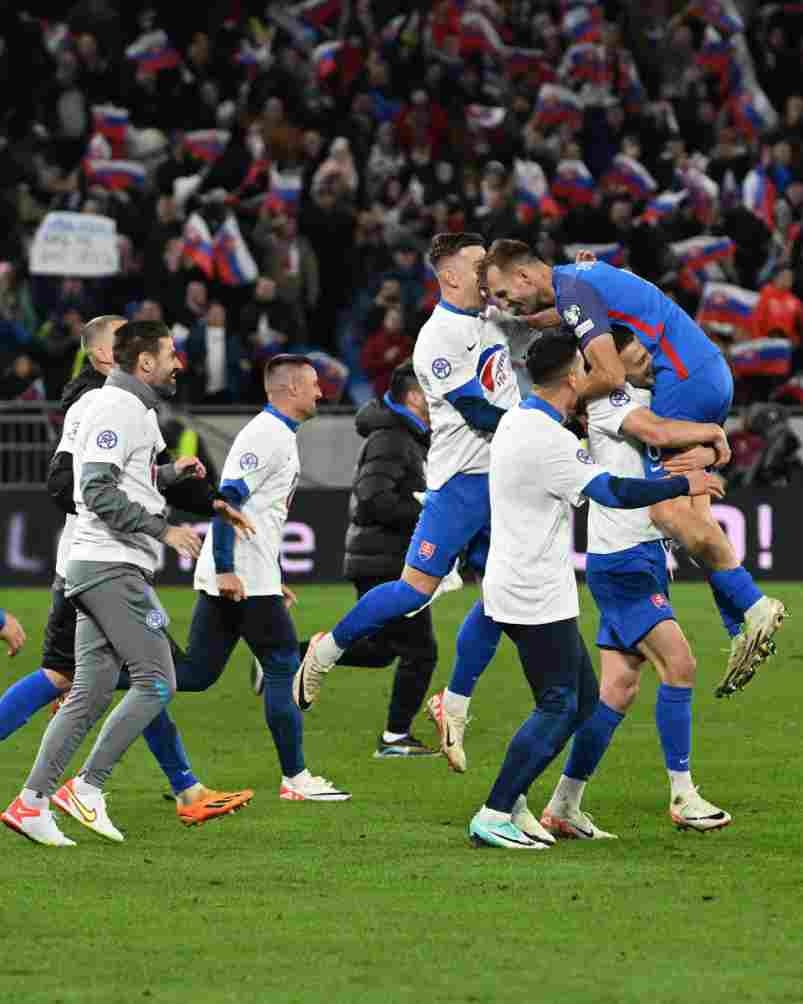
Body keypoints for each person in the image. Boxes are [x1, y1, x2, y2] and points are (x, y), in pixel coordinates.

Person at [479, 239, 786, 695]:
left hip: (681, 378)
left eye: (506, 294)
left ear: (524, 276)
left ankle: (755, 605)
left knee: (666, 512)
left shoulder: (574, 292)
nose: (508, 304)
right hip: (704, 371)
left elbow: (611, 374)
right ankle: (739, 627)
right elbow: (563, 315)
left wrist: (559, 402)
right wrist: (516, 319)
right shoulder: (577, 280)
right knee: (695, 516)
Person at [2, 320, 255, 847]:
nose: (178, 364)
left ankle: (31, 803)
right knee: (158, 680)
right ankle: (88, 787)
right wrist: (164, 530)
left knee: (89, 691)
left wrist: (173, 479)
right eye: (170, 354)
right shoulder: (114, 407)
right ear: (144, 362)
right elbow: (94, 489)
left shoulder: (135, 409)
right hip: (110, 566)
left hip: (103, 565)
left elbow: (129, 478)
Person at [469, 331, 725, 850]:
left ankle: (534, 804)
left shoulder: (518, 420)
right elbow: (615, 491)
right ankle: (494, 811)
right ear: (573, 377)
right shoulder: (550, 439)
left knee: (586, 700)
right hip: (533, 592)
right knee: (560, 704)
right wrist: (684, 484)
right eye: (586, 368)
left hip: (523, 583)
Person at [294, 233, 520, 778]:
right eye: (479, 264)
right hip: (460, 484)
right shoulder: (438, 337)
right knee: (414, 590)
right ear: (451, 277)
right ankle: (325, 651)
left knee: (507, 595)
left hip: (502, 480)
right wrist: (541, 426)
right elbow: (476, 410)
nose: (490, 271)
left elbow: (543, 314)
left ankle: (453, 703)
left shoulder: (491, 318)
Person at [541, 326, 731, 840]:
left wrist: (711, 449)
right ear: (610, 359)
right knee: (680, 664)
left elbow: (683, 448)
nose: (648, 359)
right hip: (623, 559)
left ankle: (563, 805)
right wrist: (712, 436)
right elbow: (662, 436)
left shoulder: (647, 399)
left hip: (641, 556)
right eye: (637, 353)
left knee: (618, 690)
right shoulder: (610, 401)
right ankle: (683, 794)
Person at [184, 354, 350, 802]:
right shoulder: (266, 435)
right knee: (282, 667)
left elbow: (259, 514)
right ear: (291, 388)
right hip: (241, 577)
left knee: (196, 673)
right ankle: (296, 779)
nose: (320, 392)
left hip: (250, 575)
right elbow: (227, 500)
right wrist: (226, 567)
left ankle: (86, 679)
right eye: (314, 384)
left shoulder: (279, 434)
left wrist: (272, 576)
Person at [313, 361, 439, 758]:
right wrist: (429, 513)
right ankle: (395, 738)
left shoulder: (406, 437)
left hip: (384, 556)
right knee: (421, 651)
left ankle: (295, 655)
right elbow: (372, 499)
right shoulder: (391, 439)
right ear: (415, 396)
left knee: (382, 650)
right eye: (431, 389)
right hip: (384, 559)